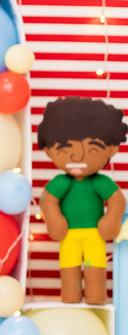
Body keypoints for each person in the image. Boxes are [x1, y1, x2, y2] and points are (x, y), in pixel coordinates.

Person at [37, 96, 126, 305]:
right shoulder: (61, 182)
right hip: (69, 235)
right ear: (49, 150)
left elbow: (117, 200)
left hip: (94, 234)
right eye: (65, 149)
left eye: (92, 150)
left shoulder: (99, 182)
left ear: (112, 149)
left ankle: (96, 297)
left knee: (96, 266)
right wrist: (54, 219)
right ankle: (71, 297)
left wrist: (111, 220)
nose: (77, 157)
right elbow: (47, 200)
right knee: (69, 266)